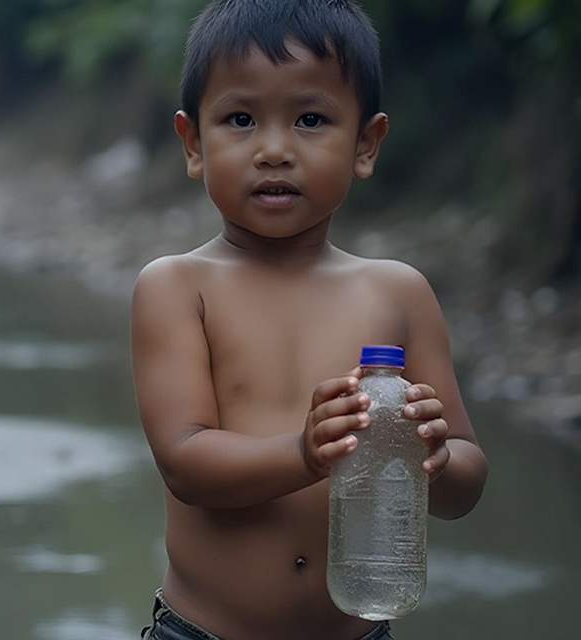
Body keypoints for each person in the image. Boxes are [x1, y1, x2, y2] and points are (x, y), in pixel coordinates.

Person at [130, 1, 489, 638]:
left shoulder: (398, 293)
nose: (274, 150)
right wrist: (303, 452)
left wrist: (436, 457)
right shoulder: (179, 287)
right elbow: (185, 462)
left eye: (311, 119)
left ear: (365, 144)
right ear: (193, 144)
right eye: (240, 119)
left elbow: (465, 484)